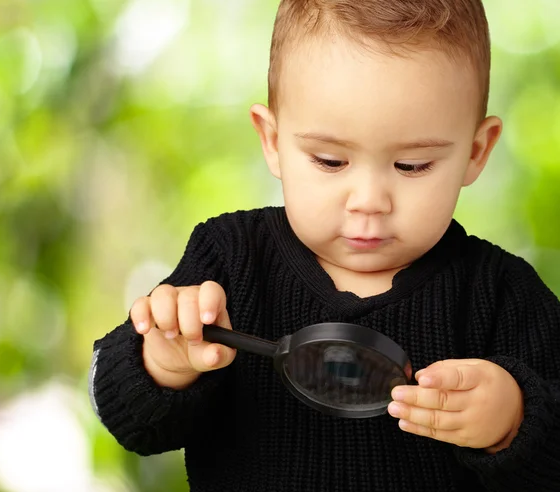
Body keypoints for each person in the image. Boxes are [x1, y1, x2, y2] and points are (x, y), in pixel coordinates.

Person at [89, 1, 560, 490]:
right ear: (272, 141)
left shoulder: (501, 294)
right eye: (331, 161)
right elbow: (125, 417)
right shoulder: (228, 261)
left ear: (475, 152)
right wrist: (163, 364)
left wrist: (515, 421)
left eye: (413, 166)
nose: (369, 201)